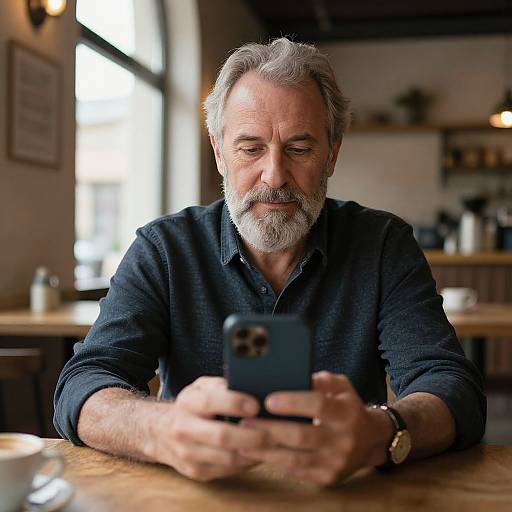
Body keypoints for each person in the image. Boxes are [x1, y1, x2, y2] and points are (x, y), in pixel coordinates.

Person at [54, 38, 485, 485]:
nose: (275, 175)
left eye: (299, 149)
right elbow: (84, 382)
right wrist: (159, 429)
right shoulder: (163, 249)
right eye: (250, 148)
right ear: (219, 153)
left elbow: (453, 387)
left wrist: (382, 432)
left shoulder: (383, 245)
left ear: (332, 154)